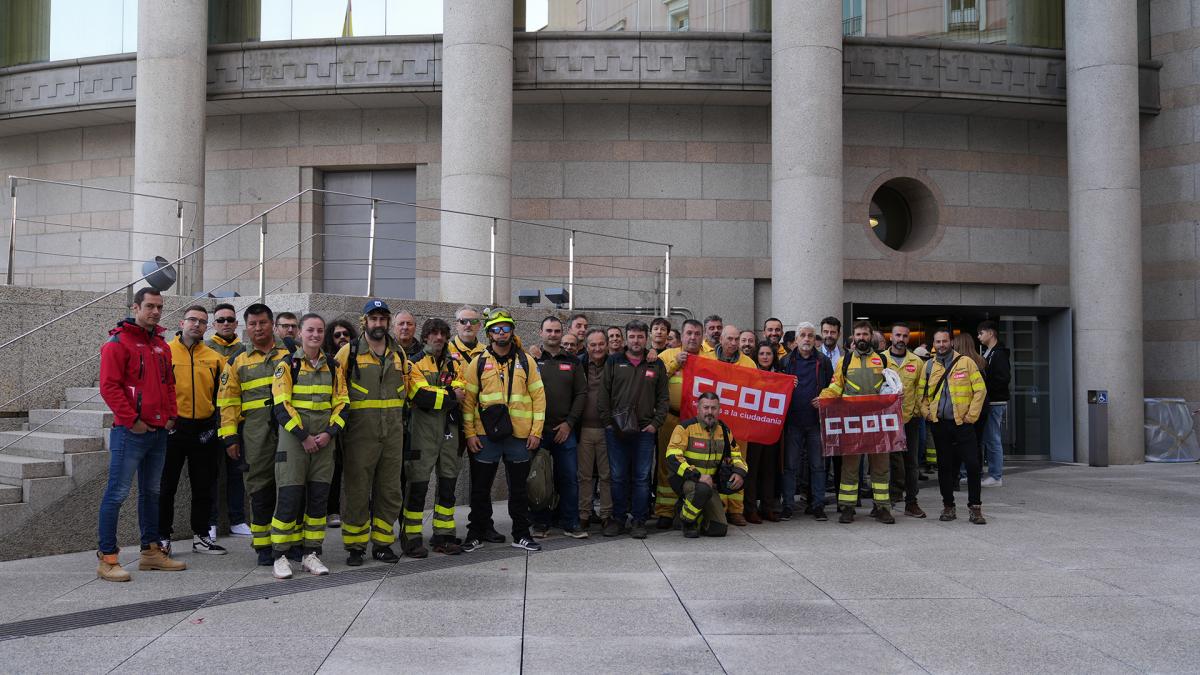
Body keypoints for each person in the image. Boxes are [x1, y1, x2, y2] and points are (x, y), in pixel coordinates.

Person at [96, 287, 186, 582]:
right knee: (117, 494)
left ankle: (150, 552)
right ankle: (108, 558)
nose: (156, 312)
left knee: (152, 493)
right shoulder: (117, 343)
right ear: (135, 307)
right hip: (130, 432)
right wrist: (131, 420)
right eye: (150, 306)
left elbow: (169, 384)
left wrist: (172, 415)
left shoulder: (162, 344)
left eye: (159, 307)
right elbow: (109, 387)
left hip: (159, 431)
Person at [461, 308, 547, 553]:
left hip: (519, 437)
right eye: (496, 329)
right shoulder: (477, 363)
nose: (501, 333)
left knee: (519, 490)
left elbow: (539, 398)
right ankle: (475, 533)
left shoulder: (527, 361)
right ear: (489, 334)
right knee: (480, 489)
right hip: (486, 437)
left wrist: (536, 432)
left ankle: (521, 534)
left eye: (506, 328)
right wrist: (469, 434)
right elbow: (468, 402)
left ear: (512, 331)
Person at [270, 313, 348, 579]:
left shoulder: (335, 366)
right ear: (300, 333)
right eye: (310, 330)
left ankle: (311, 553)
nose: (315, 335)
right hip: (294, 442)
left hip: (325, 442)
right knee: (289, 499)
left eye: (319, 331)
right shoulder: (287, 364)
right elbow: (281, 405)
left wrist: (328, 433)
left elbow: (342, 403)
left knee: (318, 501)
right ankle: (279, 555)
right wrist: (304, 436)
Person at [218, 304, 291, 566]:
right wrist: (230, 438)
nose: (258, 328)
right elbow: (227, 402)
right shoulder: (237, 360)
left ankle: (289, 543)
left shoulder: (291, 352)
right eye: (253, 324)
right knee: (259, 488)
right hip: (254, 434)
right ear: (245, 327)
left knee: (290, 487)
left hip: (289, 432)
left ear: (272, 323)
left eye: (262, 323)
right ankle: (263, 546)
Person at [336, 300, 407, 565]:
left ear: (388, 322)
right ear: (364, 321)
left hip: (392, 434)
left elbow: (408, 387)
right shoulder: (349, 352)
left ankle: (382, 543)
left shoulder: (398, 352)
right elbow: (336, 390)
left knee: (389, 491)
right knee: (357, 490)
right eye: (373, 319)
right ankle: (355, 547)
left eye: (382, 318)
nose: (378, 324)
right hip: (359, 435)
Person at [158, 305, 226, 556]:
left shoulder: (214, 357)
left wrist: (217, 424)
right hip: (174, 427)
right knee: (166, 487)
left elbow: (224, 395)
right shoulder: (165, 352)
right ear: (181, 322)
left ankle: (201, 536)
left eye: (202, 322)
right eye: (192, 320)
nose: (197, 325)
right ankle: (162, 538)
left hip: (204, 429)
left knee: (204, 486)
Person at [820, 320, 896, 525]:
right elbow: (836, 387)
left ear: (871, 336)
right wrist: (823, 398)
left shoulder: (883, 360)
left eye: (865, 334)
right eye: (858, 335)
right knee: (849, 468)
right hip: (852, 423)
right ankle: (847, 509)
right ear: (853, 337)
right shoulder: (844, 362)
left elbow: (894, 387)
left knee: (880, 467)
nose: (862, 338)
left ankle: (882, 508)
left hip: (877, 423)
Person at [600, 320, 669, 539]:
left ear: (646, 338)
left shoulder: (655, 364)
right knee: (618, 476)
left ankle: (639, 520)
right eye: (632, 336)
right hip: (617, 431)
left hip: (644, 432)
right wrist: (608, 423)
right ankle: (619, 519)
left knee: (641, 478)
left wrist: (655, 424)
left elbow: (663, 398)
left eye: (640, 336)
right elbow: (604, 395)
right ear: (626, 338)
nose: (636, 341)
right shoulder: (613, 361)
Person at [405, 317, 467, 556]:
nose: (439, 338)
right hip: (422, 432)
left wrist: (443, 395)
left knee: (448, 486)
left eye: (442, 334)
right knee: (418, 486)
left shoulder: (454, 363)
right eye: (434, 333)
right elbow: (420, 396)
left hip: (449, 432)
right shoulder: (414, 363)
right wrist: (450, 395)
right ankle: (411, 538)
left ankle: (444, 536)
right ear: (425, 337)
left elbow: (463, 389)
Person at [918, 328, 988, 525]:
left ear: (951, 342)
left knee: (973, 465)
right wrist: (928, 414)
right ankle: (948, 506)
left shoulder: (966, 363)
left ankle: (975, 508)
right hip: (940, 425)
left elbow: (980, 391)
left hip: (963, 424)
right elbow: (920, 395)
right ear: (934, 343)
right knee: (945, 467)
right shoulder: (929, 366)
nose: (941, 345)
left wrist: (971, 416)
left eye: (945, 341)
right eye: (938, 341)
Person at [531, 316, 587, 539]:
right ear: (540, 332)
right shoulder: (531, 359)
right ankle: (540, 523)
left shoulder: (573, 362)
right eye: (549, 331)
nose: (553, 335)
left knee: (569, 478)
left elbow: (581, 394)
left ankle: (570, 523)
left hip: (565, 430)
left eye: (556, 331)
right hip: (538, 431)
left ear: (562, 333)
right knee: (538, 479)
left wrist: (569, 423)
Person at [665, 392, 747, 538]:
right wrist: (697, 475)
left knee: (719, 529)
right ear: (698, 408)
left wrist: (739, 472)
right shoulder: (685, 428)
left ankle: (695, 513)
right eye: (706, 407)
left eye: (714, 408)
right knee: (701, 489)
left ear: (719, 409)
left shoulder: (725, 431)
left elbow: (736, 455)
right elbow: (672, 457)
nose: (710, 412)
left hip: (709, 485)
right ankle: (687, 520)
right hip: (686, 479)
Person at [205, 302, 251, 540]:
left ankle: (237, 519)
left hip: (238, 418)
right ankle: (210, 521)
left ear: (236, 323)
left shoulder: (244, 349)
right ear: (213, 324)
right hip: (212, 419)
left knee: (236, 471)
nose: (225, 324)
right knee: (212, 472)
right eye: (220, 320)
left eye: (229, 320)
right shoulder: (205, 348)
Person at [654, 319, 705, 528]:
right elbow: (652, 381)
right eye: (689, 333)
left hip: (697, 424)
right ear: (681, 336)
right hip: (671, 420)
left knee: (697, 465)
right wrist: (675, 362)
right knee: (667, 466)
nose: (692, 337)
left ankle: (693, 509)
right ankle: (665, 512)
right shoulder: (666, 355)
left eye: (696, 334)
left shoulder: (711, 359)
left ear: (702, 337)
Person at [780, 322, 832, 521]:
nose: (807, 339)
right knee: (790, 466)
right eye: (803, 335)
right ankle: (788, 506)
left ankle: (818, 505)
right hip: (792, 422)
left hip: (816, 422)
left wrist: (824, 398)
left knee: (818, 466)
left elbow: (832, 387)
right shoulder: (786, 362)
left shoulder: (823, 361)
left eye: (810, 335)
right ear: (796, 339)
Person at [885, 322, 927, 518]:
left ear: (909, 339)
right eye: (897, 335)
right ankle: (890, 499)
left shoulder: (917, 362)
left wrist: (919, 412)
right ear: (891, 337)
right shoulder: (881, 359)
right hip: (886, 420)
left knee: (911, 463)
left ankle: (911, 502)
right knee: (889, 461)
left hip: (910, 419)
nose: (901, 339)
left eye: (904, 336)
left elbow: (921, 390)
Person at [578, 327, 613, 531]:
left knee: (607, 475)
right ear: (587, 346)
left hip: (607, 429)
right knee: (584, 475)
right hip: (583, 429)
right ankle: (584, 514)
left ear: (607, 345)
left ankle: (606, 514)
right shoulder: (579, 363)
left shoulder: (615, 363)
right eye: (593, 344)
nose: (597, 348)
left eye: (601, 344)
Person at [322, 318, 356, 529]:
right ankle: (331, 510)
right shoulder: (328, 361)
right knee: (334, 468)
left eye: (346, 334)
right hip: (332, 421)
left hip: (356, 421)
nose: (342, 338)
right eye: (337, 335)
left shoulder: (356, 356)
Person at [743, 341, 782, 523]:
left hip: (772, 430)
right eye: (762, 354)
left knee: (769, 470)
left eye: (768, 354)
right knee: (752, 469)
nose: (765, 357)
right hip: (753, 429)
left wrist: (791, 384)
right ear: (756, 356)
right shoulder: (750, 375)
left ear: (773, 356)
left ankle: (767, 507)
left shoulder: (782, 377)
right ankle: (750, 508)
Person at [976, 320, 1011, 487]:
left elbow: (1003, 378)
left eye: (981, 333)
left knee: (992, 438)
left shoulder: (999, 353)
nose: (979, 337)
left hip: (995, 401)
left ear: (990, 333)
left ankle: (996, 475)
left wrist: (985, 388)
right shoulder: (989, 352)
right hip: (991, 400)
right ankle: (993, 474)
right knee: (989, 437)